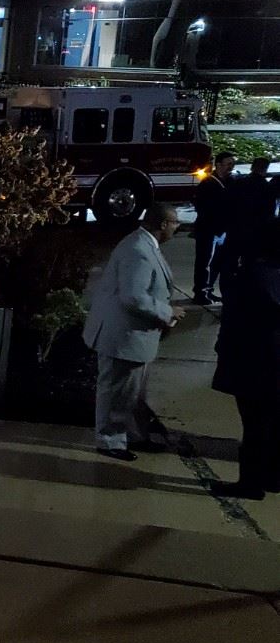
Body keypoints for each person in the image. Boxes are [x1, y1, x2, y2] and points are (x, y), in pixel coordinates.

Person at [82, 203, 185, 461]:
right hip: (123, 336)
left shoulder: (143, 244)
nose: (177, 227)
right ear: (162, 224)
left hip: (132, 336)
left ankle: (130, 436)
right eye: (175, 223)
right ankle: (110, 441)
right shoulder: (138, 250)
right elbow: (133, 297)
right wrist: (167, 311)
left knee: (131, 393)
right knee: (117, 392)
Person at [211, 221, 280, 500]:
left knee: (254, 426)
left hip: (254, 363)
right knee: (274, 423)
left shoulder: (252, 276)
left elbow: (235, 319)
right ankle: (273, 476)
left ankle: (250, 483)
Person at [192, 150, 236, 305]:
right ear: (218, 165)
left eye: (232, 164)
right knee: (204, 262)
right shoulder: (208, 184)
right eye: (228, 164)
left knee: (216, 263)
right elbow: (202, 207)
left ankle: (208, 290)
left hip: (223, 230)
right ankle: (200, 292)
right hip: (208, 230)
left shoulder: (230, 182)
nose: (231, 167)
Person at [222, 157, 273, 279]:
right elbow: (269, 213)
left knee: (230, 262)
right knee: (250, 263)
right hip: (256, 231)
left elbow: (228, 204)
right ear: (265, 169)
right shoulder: (266, 188)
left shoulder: (239, 183)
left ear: (252, 167)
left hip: (236, 228)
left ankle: (229, 287)